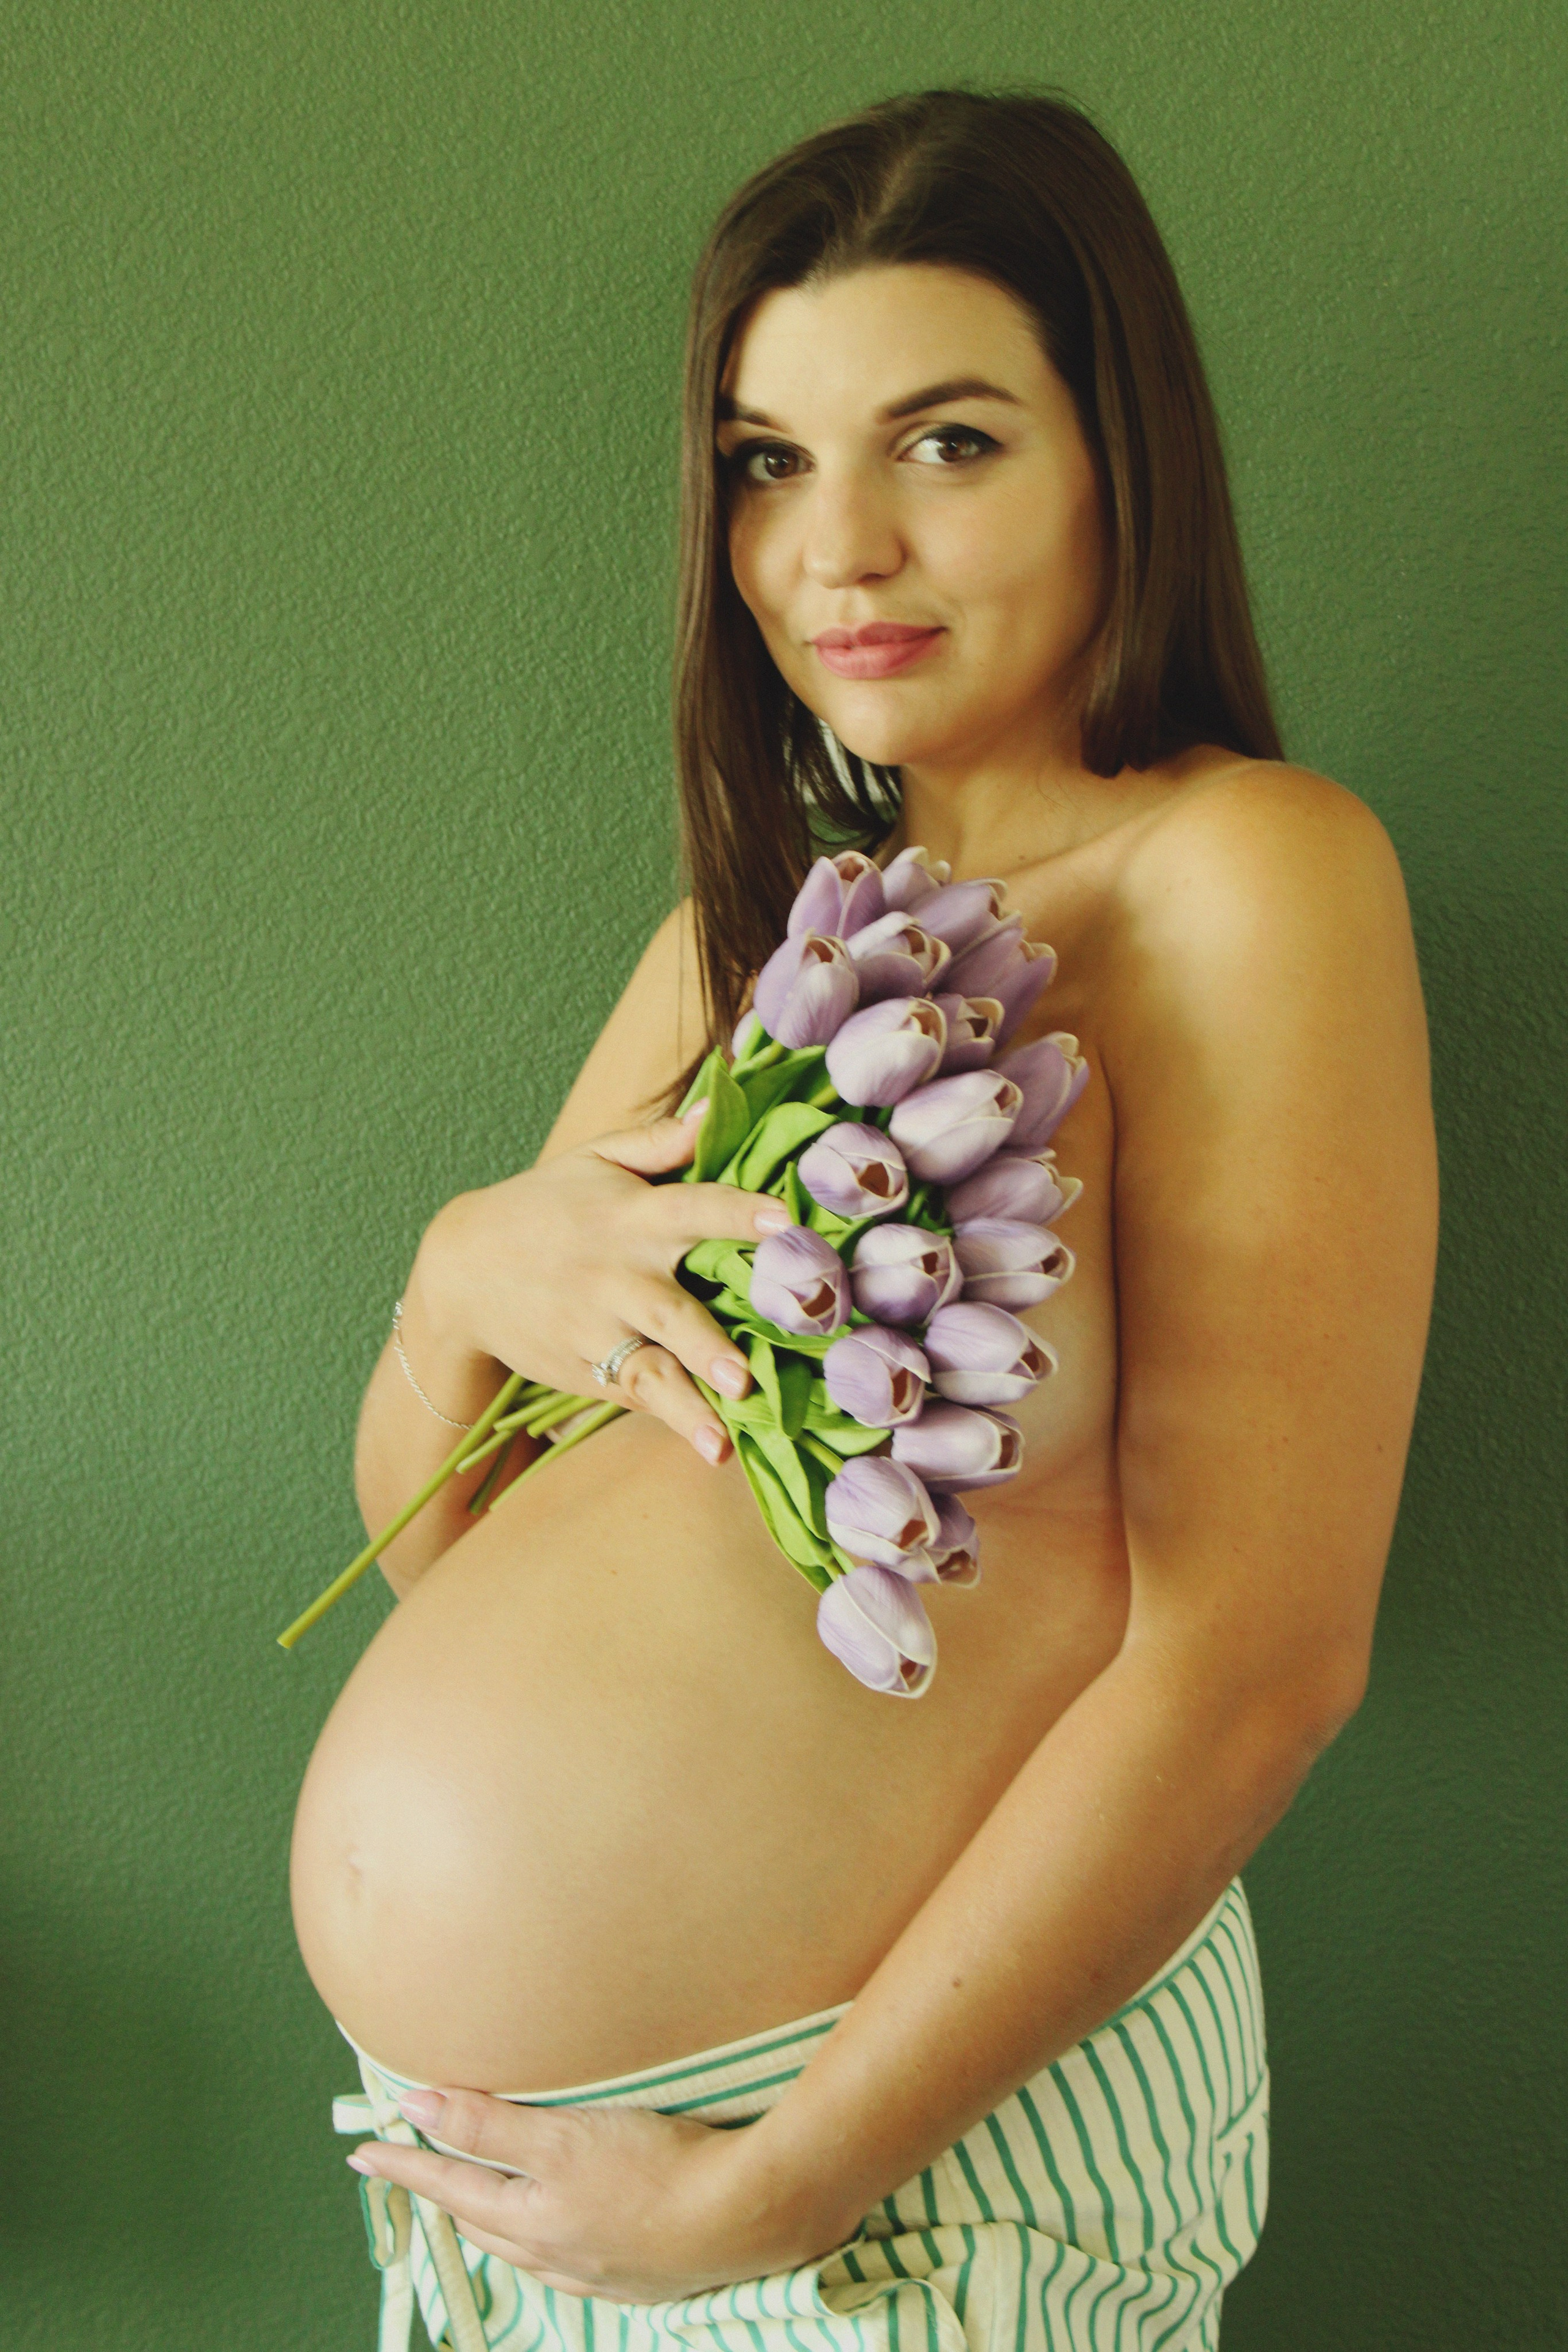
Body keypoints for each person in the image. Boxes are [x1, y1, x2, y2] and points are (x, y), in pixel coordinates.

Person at [290, 88, 1437, 2352]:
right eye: (767, 461)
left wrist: (770, 2196)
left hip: (877, 2183)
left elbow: (1259, 1668)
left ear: (1124, 453)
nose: (842, 551)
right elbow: (462, 1544)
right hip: (536, 2207)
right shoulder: (757, 938)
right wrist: (452, 1286)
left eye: (947, 441)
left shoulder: (1248, 875)